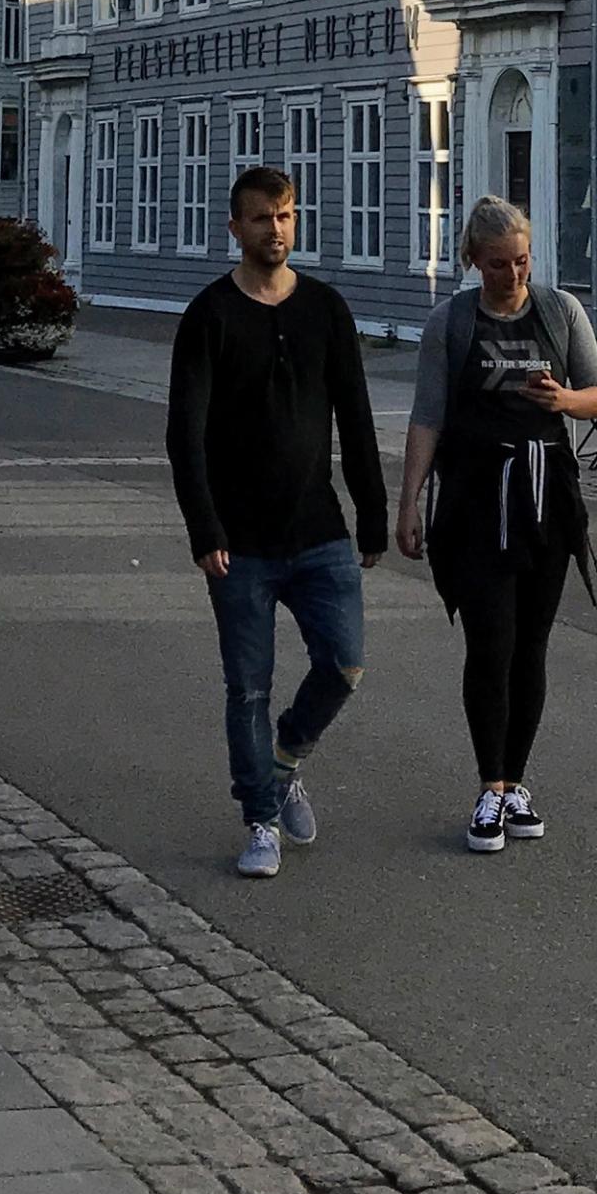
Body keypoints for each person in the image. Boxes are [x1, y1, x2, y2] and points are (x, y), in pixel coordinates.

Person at [166, 162, 385, 879]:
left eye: (286, 215)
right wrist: (205, 529)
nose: (277, 229)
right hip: (241, 542)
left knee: (345, 663)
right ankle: (260, 819)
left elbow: (354, 417)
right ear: (236, 228)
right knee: (248, 686)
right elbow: (184, 433)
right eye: (262, 217)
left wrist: (373, 514)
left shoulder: (325, 309)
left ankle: (287, 758)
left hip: (317, 529)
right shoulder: (210, 316)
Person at [400, 196, 597, 854]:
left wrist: (562, 399)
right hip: (473, 501)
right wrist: (408, 505)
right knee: (490, 642)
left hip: (547, 499)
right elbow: (428, 417)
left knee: (530, 646)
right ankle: (489, 788)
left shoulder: (559, 311)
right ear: (473, 262)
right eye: (497, 265)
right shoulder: (452, 323)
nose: (512, 276)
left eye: (521, 262)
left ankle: (515, 783)